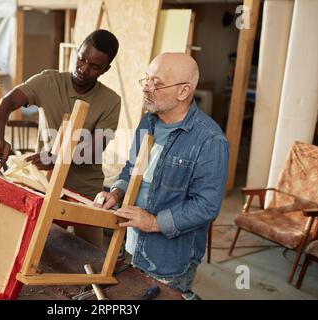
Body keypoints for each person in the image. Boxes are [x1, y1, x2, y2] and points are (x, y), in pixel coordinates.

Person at [94, 52, 229, 295]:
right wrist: (116, 192)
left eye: (156, 83)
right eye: (146, 79)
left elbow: (206, 206)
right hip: (131, 243)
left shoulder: (210, 140)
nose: (146, 87)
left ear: (183, 91)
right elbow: (130, 169)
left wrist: (154, 222)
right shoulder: (148, 122)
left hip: (169, 260)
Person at [0, 29, 121, 247]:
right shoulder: (48, 81)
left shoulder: (110, 101)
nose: (83, 69)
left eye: (94, 66)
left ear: (105, 69)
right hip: (43, 182)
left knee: (91, 257)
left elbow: (94, 151)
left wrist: (58, 157)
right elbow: (7, 103)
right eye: (81, 58)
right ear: (76, 52)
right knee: (37, 249)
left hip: (84, 189)